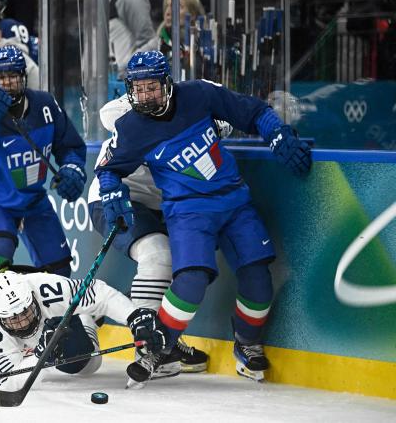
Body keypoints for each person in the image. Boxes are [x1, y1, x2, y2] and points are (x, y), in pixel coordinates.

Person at [94, 50, 312, 386]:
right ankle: (159, 348)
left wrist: (276, 132)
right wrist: (112, 194)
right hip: (188, 212)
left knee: (259, 281)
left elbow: (252, 111)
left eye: (152, 87)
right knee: (190, 282)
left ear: (167, 83)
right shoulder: (131, 127)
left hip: (234, 203)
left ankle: (248, 341)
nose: (145, 95)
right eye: (138, 89)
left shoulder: (199, 94)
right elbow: (109, 169)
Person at [88, 94, 236, 378]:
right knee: (157, 255)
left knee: (185, 267)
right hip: (117, 198)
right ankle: (146, 347)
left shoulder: (186, 101)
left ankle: (165, 341)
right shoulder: (135, 108)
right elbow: (109, 113)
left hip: (166, 204)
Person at [0, 268, 166, 397]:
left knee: (89, 366)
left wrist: (134, 318)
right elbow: (10, 384)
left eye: (26, 310)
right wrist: (41, 355)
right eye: (14, 318)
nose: (23, 321)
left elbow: (99, 293)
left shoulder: (44, 288)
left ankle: (85, 319)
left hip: (50, 323)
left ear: (30, 297)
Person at [0, 45, 85, 283]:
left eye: (12, 76)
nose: (6, 83)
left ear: (23, 77)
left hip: (34, 201)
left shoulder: (46, 105)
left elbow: (70, 146)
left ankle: (54, 319)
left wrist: (72, 170)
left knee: (59, 271)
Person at [109, 0, 156, 79]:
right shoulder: (94, 1)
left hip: (121, 84)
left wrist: (125, 69)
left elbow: (148, 43)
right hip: (91, 82)